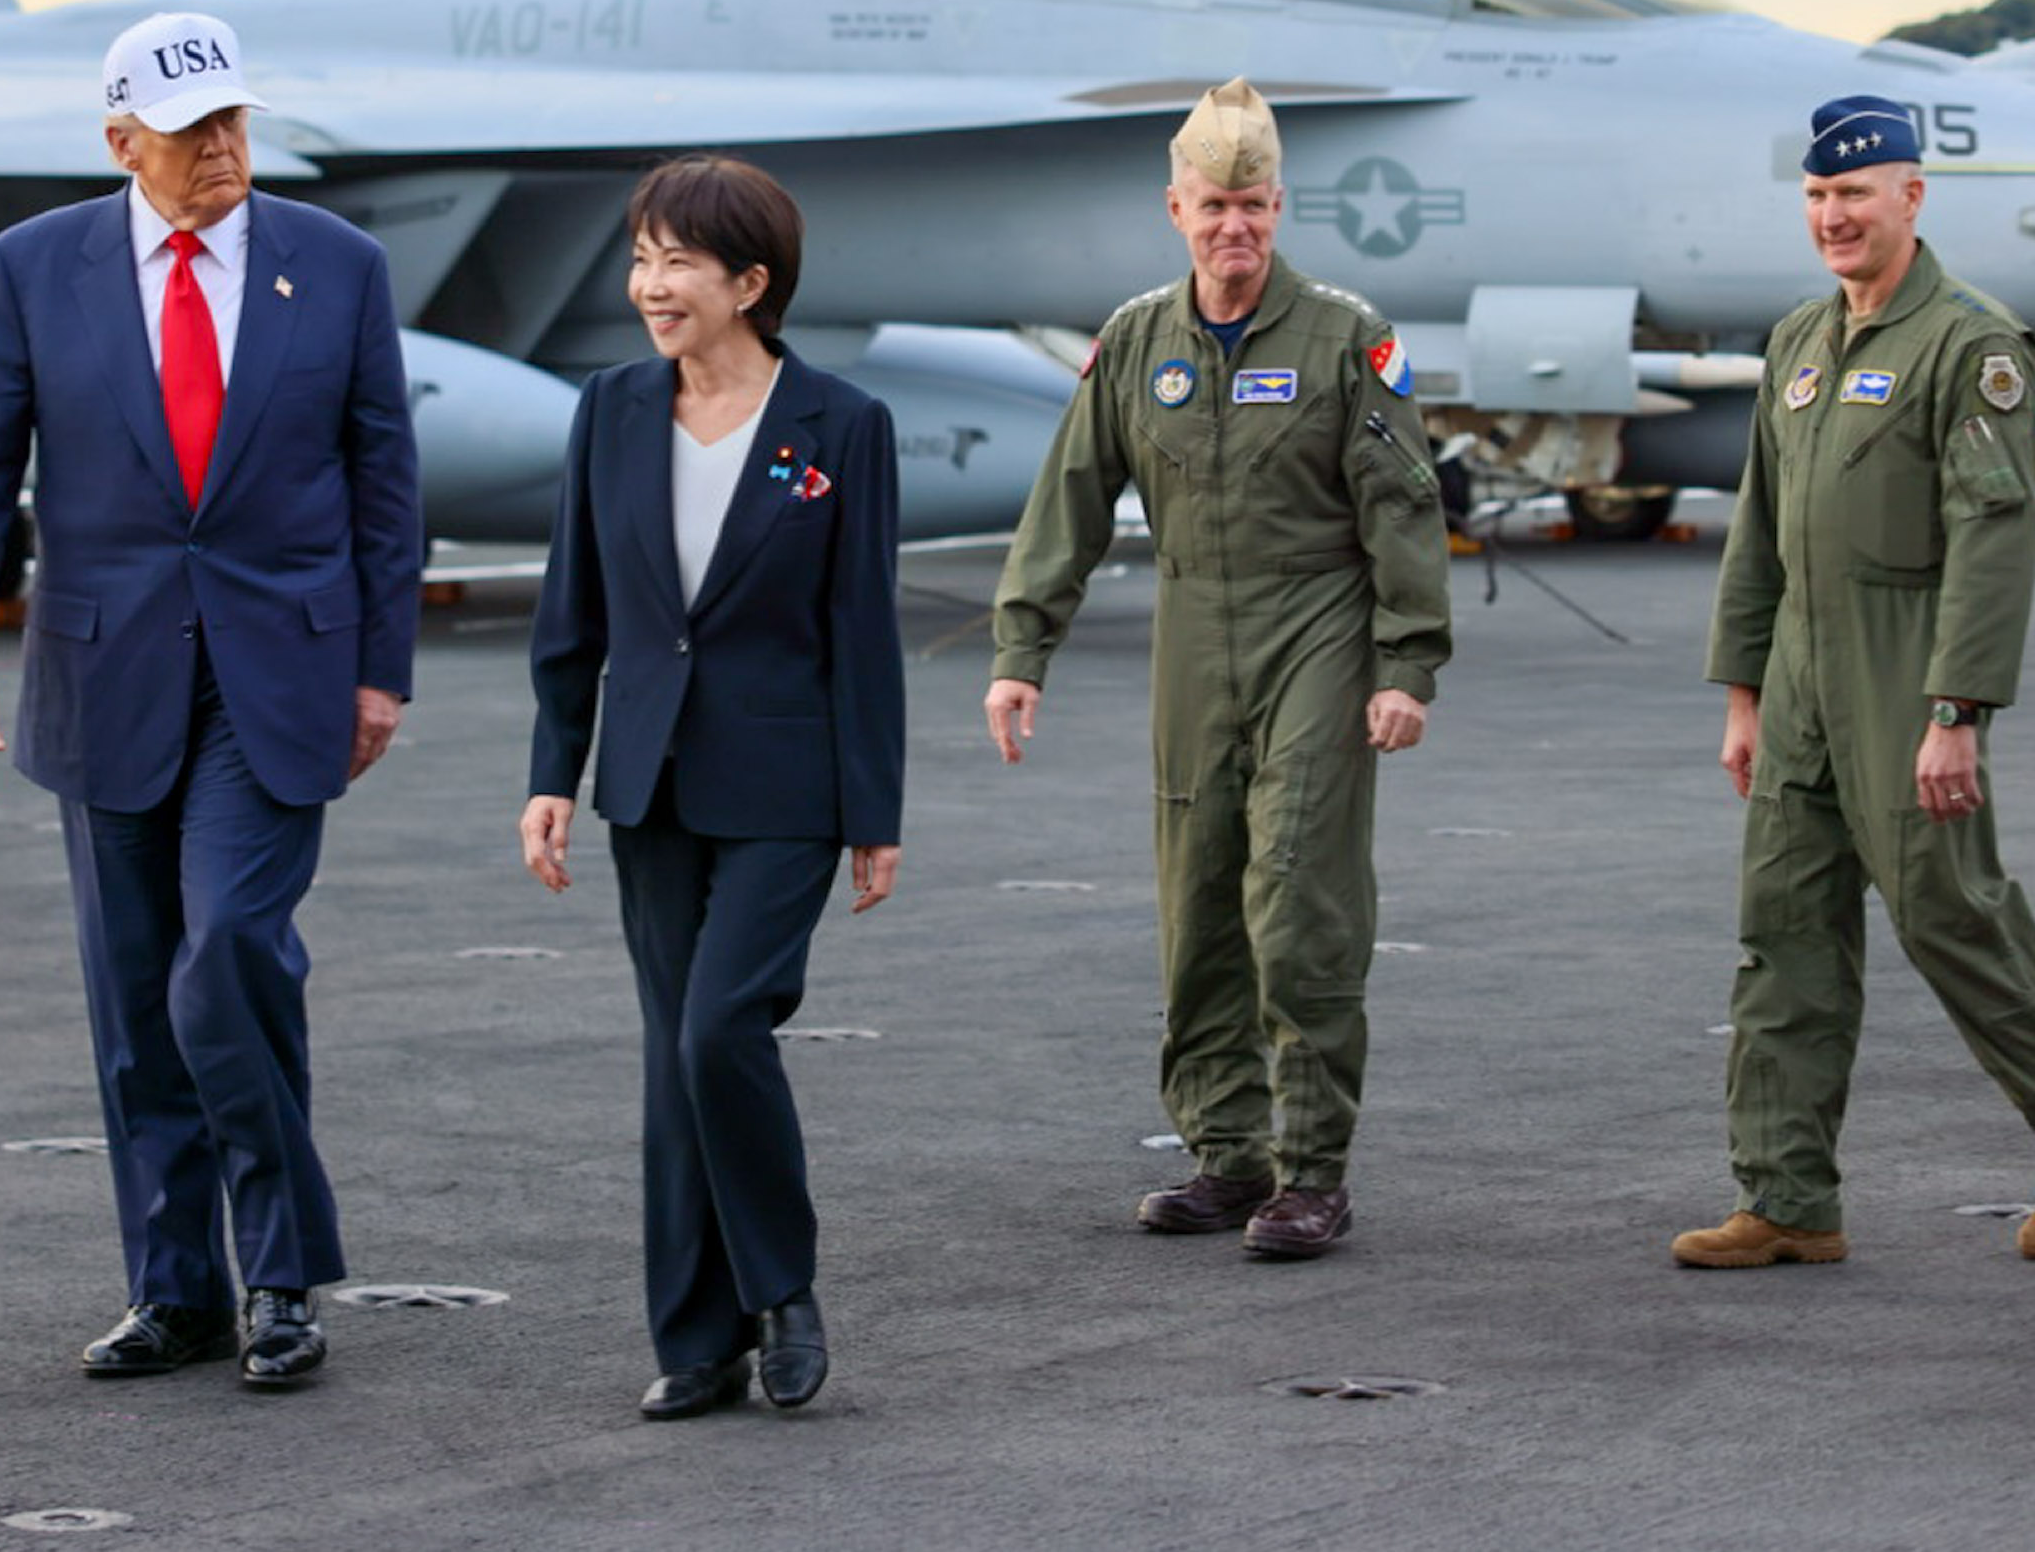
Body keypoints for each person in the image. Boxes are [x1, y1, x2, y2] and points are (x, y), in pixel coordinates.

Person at [0, 10, 422, 1383]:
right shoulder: (35, 270)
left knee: (229, 956)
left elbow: (386, 487)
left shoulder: (337, 265)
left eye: (236, 123)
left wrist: (385, 670)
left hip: (281, 677)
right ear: (120, 140)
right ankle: (179, 1288)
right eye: (193, 130)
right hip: (103, 675)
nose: (223, 151)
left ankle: (282, 1274)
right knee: (137, 996)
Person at [983, 78, 1451, 1261]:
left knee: (1295, 892)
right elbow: (1069, 499)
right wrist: (1020, 647)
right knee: (1197, 898)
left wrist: (1405, 661)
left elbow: (1401, 504)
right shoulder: (1136, 340)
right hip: (1190, 631)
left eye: (1251, 205)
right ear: (1174, 208)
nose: (1231, 226)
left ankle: (1311, 1167)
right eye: (1210, 206)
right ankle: (1227, 1152)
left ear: (1278, 206)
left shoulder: (1347, 337)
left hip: (1318, 624)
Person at [520, 155, 905, 1419]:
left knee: (717, 1028)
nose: (648, 284)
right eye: (640, 257)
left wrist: (873, 811)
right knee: (666, 1058)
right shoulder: (611, 409)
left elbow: (860, 629)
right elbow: (572, 611)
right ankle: (698, 1334)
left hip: (787, 778)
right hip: (649, 777)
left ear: (750, 281)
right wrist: (552, 775)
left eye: (677, 260)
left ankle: (782, 1287)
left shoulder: (840, 425)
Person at [1678, 94, 2035, 1269]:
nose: (1834, 216)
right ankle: (1785, 1199)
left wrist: (1955, 713)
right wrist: (1742, 695)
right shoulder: (1796, 341)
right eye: (1818, 197)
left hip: (1903, 674)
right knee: (1781, 935)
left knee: (1955, 920)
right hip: (1796, 685)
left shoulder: (1967, 345)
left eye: (1855, 194)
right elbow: (1759, 533)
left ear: (1909, 197)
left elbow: (1992, 536)